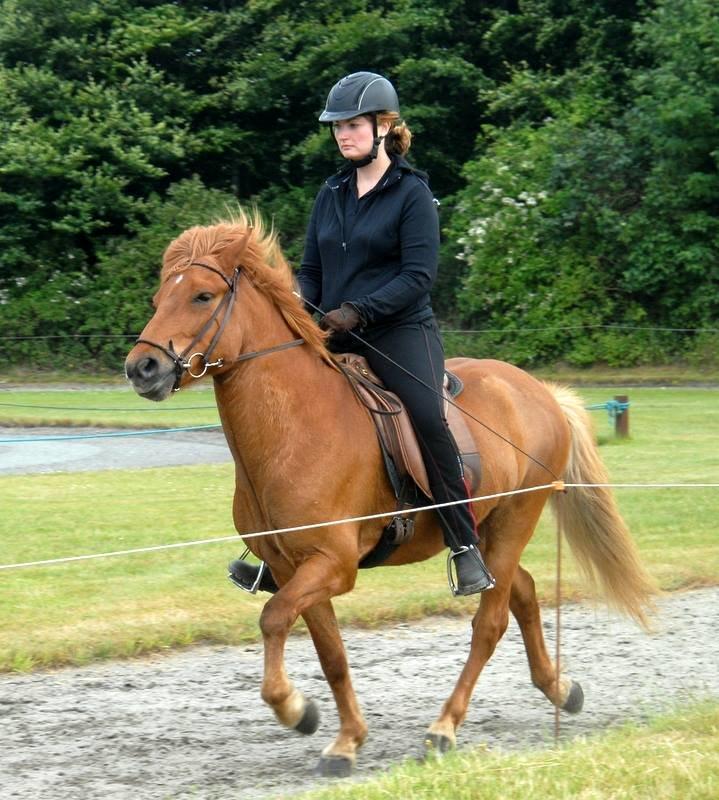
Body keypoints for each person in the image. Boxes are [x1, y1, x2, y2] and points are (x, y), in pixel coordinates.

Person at [229, 71, 494, 596]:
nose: (343, 135)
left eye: (353, 125)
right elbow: (311, 268)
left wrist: (359, 310)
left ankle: (463, 543)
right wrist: (298, 304)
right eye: (337, 127)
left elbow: (418, 276)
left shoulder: (412, 193)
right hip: (332, 328)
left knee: (425, 415)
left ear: (383, 126)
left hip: (400, 330)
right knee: (282, 409)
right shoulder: (330, 192)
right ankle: (274, 546)